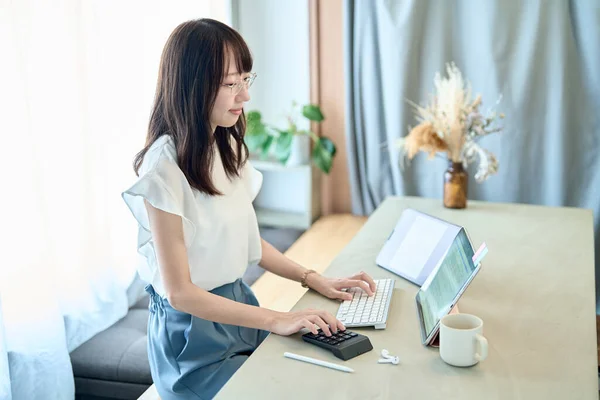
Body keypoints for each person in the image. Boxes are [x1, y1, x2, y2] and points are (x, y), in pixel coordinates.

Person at [121, 18, 376, 399]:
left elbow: (247, 239)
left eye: (245, 80)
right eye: (230, 84)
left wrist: (313, 278)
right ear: (193, 87)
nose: (244, 96)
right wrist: (278, 318)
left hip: (239, 310)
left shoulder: (227, 146)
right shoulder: (162, 170)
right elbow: (181, 293)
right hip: (192, 339)